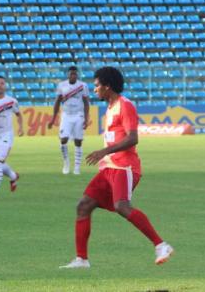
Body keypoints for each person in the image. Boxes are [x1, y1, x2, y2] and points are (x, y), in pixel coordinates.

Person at [60, 67, 173, 269]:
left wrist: (104, 151)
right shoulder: (110, 107)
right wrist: (106, 156)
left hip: (124, 167)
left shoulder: (125, 105)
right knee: (83, 206)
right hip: (109, 167)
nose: (95, 90)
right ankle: (81, 259)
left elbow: (132, 138)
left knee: (122, 206)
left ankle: (161, 245)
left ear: (107, 86)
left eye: (96, 86)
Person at [47, 66, 90, 175]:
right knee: (63, 139)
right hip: (66, 115)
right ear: (68, 75)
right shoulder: (62, 85)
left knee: (78, 141)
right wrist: (53, 119)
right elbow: (57, 102)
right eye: (71, 74)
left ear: (77, 75)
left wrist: (86, 117)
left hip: (78, 115)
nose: (73, 76)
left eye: (75, 74)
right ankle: (66, 163)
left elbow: (86, 102)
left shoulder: (83, 86)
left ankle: (77, 167)